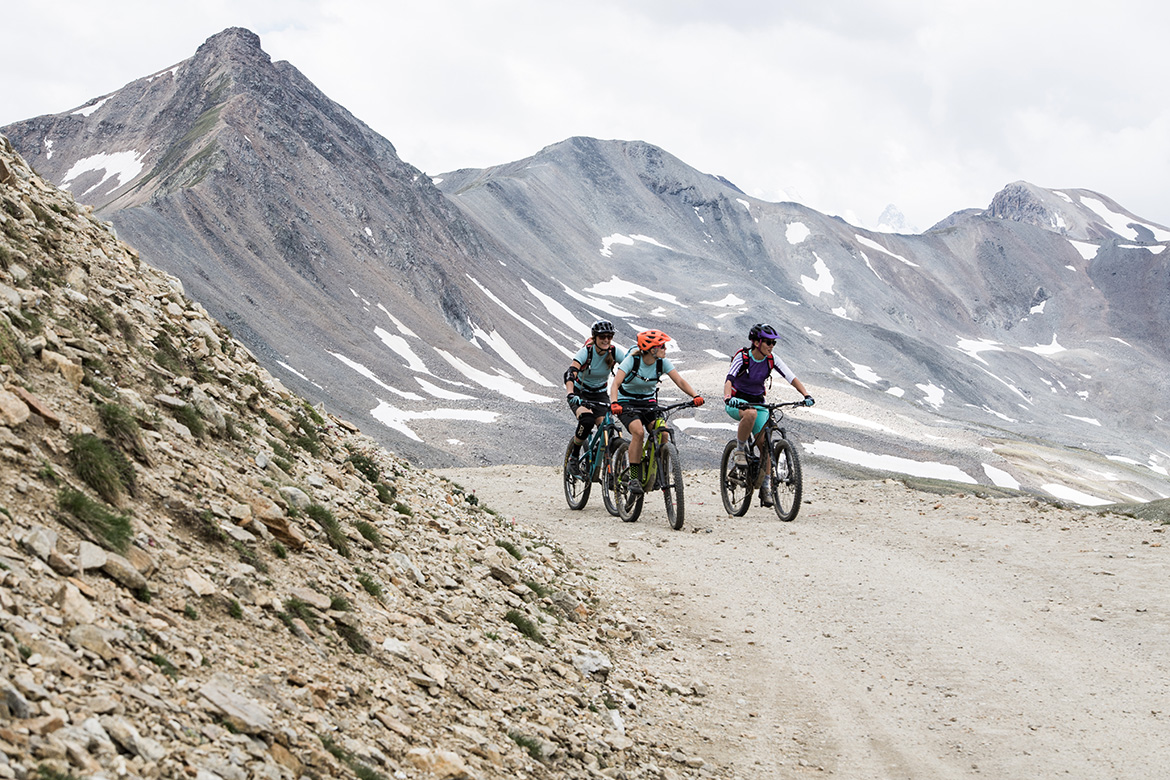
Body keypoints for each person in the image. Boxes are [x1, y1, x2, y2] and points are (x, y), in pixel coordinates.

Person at [723, 323, 814, 507]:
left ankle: (765, 487)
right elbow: (729, 379)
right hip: (737, 401)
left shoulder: (771, 359)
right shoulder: (743, 357)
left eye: (773, 343)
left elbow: (791, 377)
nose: (771, 346)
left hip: (758, 402)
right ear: (756, 342)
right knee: (750, 414)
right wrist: (727, 397)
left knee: (765, 445)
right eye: (768, 342)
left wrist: (806, 395)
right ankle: (740, 450)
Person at [609, 329, 704, 494]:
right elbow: (615, 384)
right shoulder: (632, 361)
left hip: (648, 402)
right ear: (652, 349)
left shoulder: (662, 362)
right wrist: (615, 403)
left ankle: (659, 472)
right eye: (662, 346)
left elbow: (680, 381)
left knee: (663, 433)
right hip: (627, 402)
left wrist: (695, 395)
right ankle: (634, 477)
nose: (665, 349)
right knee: (638, 432)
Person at [564, 319, 628, 475]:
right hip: (580, 393)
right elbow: (570, 373)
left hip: (599, 393)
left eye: (609, 336)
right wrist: (571, 393)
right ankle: (573, 458)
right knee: (587, 420)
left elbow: (630, 367)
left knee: (608, 427)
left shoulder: (613, 352)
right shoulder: (587, 351)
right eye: (602, 337)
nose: (606, 340)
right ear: (595, 337)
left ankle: (605, 462)